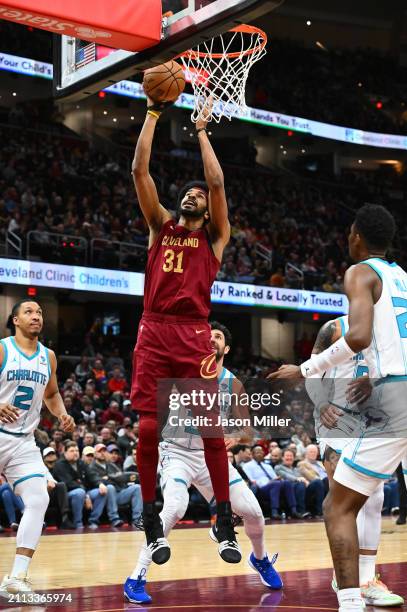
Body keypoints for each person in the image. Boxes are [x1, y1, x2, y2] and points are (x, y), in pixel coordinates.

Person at [270, 204, 407, 611]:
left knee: (338, 506)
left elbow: (360, 336)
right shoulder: (404, 279)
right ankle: (365, 583)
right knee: (365, 496)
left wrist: (303, 368)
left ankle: (350, 601)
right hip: (374, 401)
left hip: (394, 400)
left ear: (357, 237)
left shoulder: (360, 272)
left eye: (350, 234)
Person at [130, 94, 237, 564]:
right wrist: (153, 112)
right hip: (154, 328)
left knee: (212, 432)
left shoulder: (214, 237)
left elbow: (215, 181)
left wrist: (200, 129)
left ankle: (224, 519)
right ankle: (151, 516)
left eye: (197, 195)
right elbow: (139, 172)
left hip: (194, 332)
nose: (192, 194)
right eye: (188, 192)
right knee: (149, 427)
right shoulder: (160, 225)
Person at [124, 322, 282, 604]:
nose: (211, 340)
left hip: (210, 457)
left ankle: (260, 559)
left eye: (218, 337)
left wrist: (236, 435)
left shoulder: (233, 383)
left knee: (254, 512)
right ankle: (136, 576)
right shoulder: (177, 372)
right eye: (207, 336)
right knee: (174, 507)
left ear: (227, 348)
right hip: (176, 453)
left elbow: (246, 429)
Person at [307, 314, 404, 606]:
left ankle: (366, 579)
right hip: (335, 418)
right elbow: (312, 374)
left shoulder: (392, 331)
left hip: (373, 420)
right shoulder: (334, 328)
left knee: (374, 498)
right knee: (343, 496)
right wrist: (321, 403)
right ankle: (346, 576)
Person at [0, 300, 75, 596]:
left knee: (37, 499)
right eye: (29, 312)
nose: (36, 316)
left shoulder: (49, 356)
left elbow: (52, 393)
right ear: (15, 320)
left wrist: (62, 413)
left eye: (39, 312)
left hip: (23, 442)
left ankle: (16, 577)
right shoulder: (3, 349)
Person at [53, 441, 108, 529]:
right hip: (65, 495)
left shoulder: (80, 463)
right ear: (65, 452)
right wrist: (86, 495)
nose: (75, 453)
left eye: (77, 451)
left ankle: (93, 521)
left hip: (83, 491)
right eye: (72, 451)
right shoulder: (60, 465)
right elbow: (69, 483)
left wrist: (100, 484)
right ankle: (78, 523)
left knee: (101, 491)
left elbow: (92, 475)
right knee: (79, 492)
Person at [88, 444, 142, 528]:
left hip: (118, 493)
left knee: (137, 488)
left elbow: (122, 477)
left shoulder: (111, 465)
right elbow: (95, 480)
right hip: (103, 495)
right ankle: (114, 519)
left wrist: (109, 478)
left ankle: (137, 520)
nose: (102, 453)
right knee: (110, 487)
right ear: (95, 454)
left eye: (104, 451)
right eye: (100, 451)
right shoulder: (91, 467)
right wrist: (111, 479)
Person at [243, 445, 304, 520]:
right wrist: (271, 482)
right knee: (275, 484)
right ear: (252, 454)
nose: (259, 454)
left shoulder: (267, 466)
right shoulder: (247, 466)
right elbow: (251, 480)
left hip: (273, 485)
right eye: (257, 452)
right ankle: (274, 512)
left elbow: (274, 478)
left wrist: (277, 479)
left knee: (287, 483)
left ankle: (293, 510)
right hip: (261, 487)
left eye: (261, 452)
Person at [42, 447, 74, 529]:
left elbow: (65, 482)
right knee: (61, 485)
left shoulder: (60, 467)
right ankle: (65, 517)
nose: (51, 456)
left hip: (56, 494)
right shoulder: (41, 468)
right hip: (42, 493)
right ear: (44, 458)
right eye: (48, 455)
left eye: (53, 454)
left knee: (62, 485)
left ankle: (65, 518)